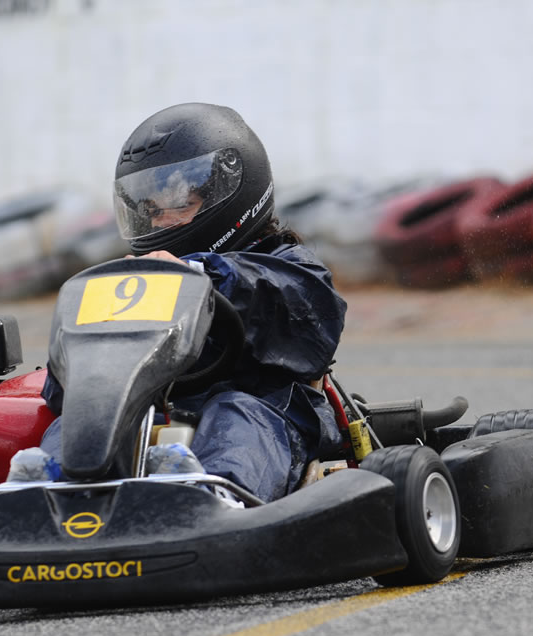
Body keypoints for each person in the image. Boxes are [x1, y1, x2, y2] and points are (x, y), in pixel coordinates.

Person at [35, 103, 347, 503]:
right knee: (78, 423)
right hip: (157, 422)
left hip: (266, 419)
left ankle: (211, 501)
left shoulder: (286, 266)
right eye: (152, 210)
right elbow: (63, 393)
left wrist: (198, 275)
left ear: (235, 191)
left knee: (236, 412)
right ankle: (44, 498)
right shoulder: (139, 281)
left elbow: (307, 324)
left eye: (181, 204)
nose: (162, 223)